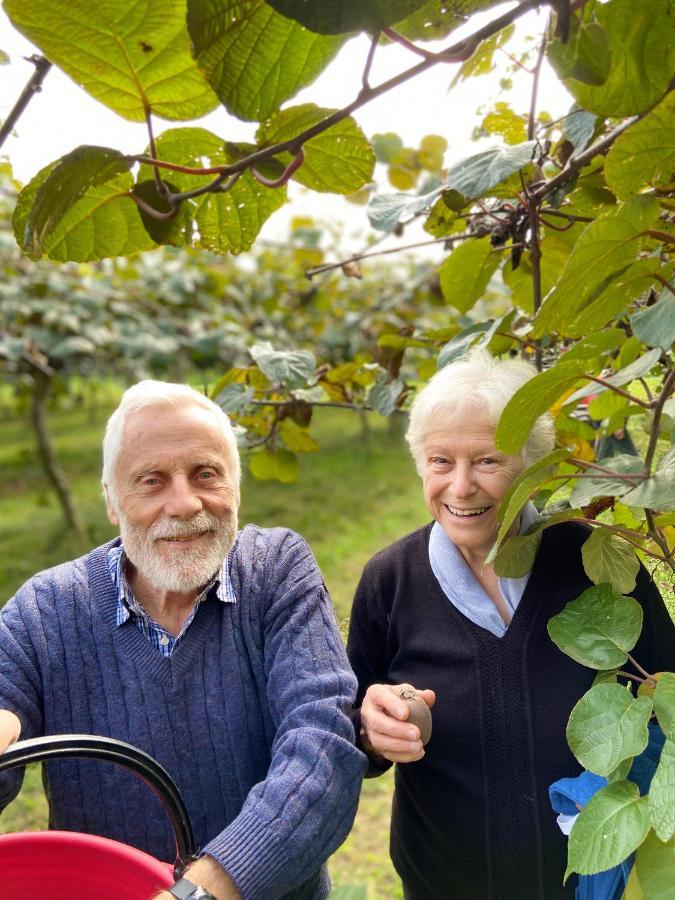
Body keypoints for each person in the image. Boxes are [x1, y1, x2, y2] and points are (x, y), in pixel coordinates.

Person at [0, 381, 366, 900]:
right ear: (111, 501)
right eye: (151, 481)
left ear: (235, 486)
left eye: (206, 474)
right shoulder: (46, 610)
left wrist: (199, 892)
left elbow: (323, 745)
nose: (184, 502)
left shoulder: (276, 571)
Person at [346, 351, 675, 900]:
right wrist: (374, 732)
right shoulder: (390, 580)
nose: (461, 487)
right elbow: (355, 738)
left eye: (488, 462)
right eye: (440, 461)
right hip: (443, 882)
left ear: (531, 463)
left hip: (593, 885)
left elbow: (670, 702)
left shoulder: (595, 564)